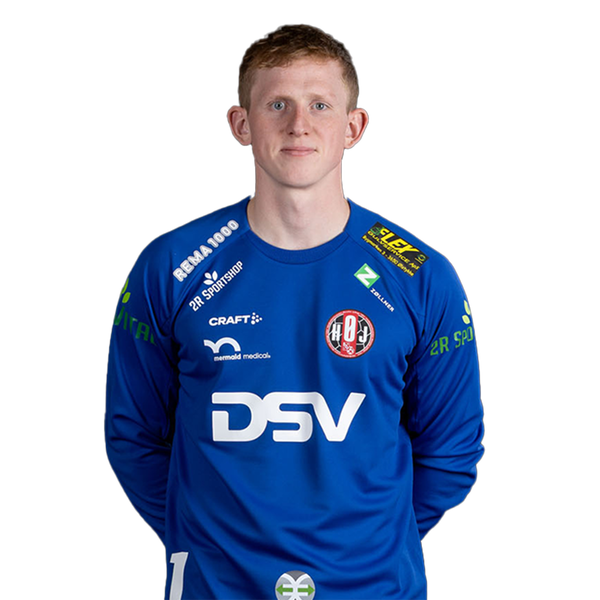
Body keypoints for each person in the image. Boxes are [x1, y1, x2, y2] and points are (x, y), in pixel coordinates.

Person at [103, 21, 485, 599]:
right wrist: (206, 538)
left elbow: (452, 451)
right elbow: (132, 436)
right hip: (215, 587)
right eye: (277, 104)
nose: (299, 124)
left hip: (374, 589)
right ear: (241, 124)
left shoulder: (420, 274)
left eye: (320, 105)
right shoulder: (171, 266)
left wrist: (370, 542)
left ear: (354, 127)